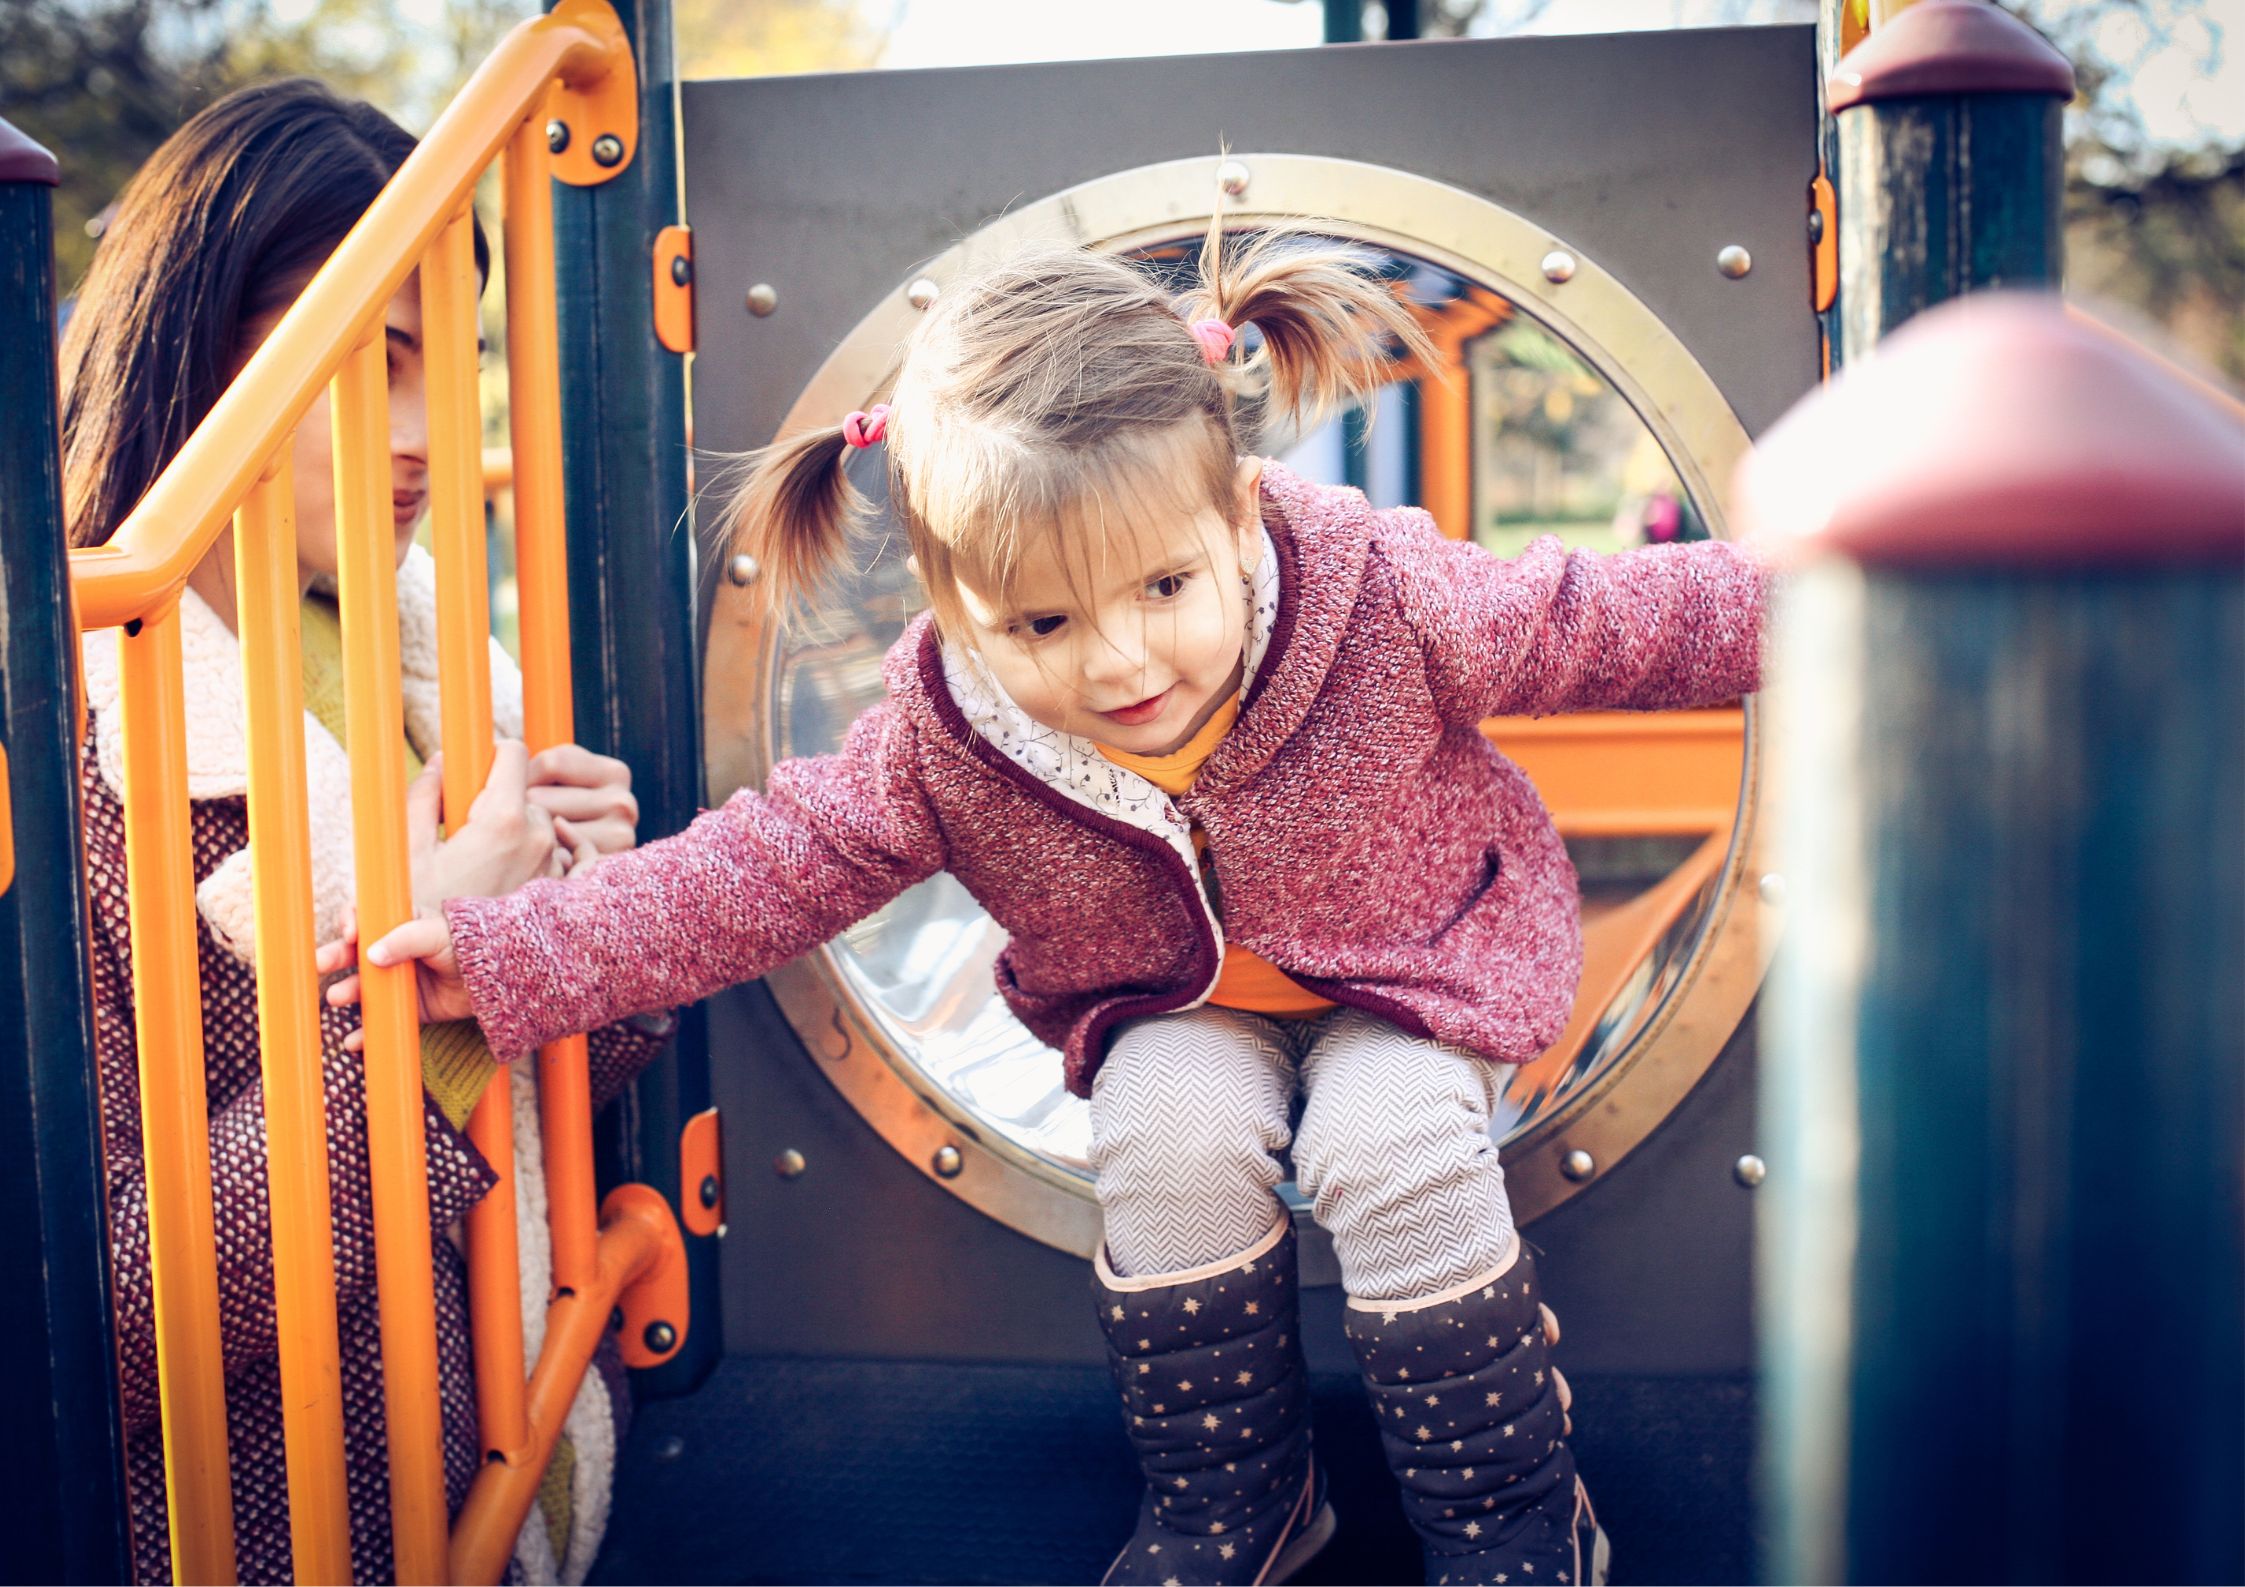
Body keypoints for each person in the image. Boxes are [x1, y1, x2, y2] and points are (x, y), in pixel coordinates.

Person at [347, 221, 1767, 1587]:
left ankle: (1513, 1520)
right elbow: (762, 867)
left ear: (1234, 512)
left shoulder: (1380, 597)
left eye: (1163, 586)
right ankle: (1241, 1507)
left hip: (1418, 971)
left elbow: (1604, 616)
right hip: (1172, 1002)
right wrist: (509, 950)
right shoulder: (946, 731)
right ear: (956, 610)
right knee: (1164, 1135)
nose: (1119, 661)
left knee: (1388, 1143)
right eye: (1040, 622)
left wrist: (1851, 595)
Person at [62, 79, 665, 1585]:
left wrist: (597, 923)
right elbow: (88, 1336)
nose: (424, 442)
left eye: (447, 370)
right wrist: (425, 1010)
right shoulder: (65, 752)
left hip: (517, 1482)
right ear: (200, 348)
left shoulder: (425, 655)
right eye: (367, 361)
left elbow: (555, 1128)